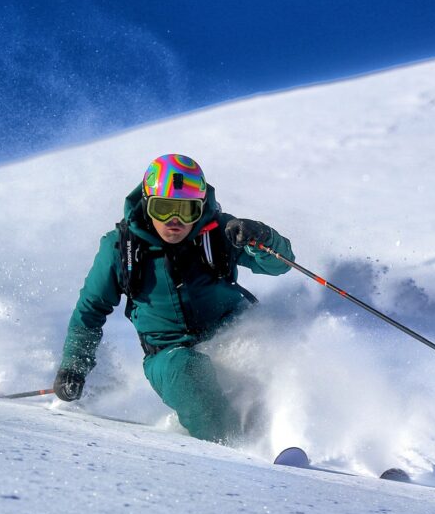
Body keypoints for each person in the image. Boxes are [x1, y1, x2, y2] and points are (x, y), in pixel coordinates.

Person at [53, 154, 295, 443]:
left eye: (187, 210)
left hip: (232, 333)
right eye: (164, 208)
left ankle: (292, 434)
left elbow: (281, 265)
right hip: (169, 355)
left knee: (282, 354)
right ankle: (238, 447)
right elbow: (90, 311)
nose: (175, 221)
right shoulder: (119, 249)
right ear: (147, 202)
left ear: (201, 207)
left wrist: (261, 236)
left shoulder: (219, 232)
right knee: (188, 371)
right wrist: (74, 366)